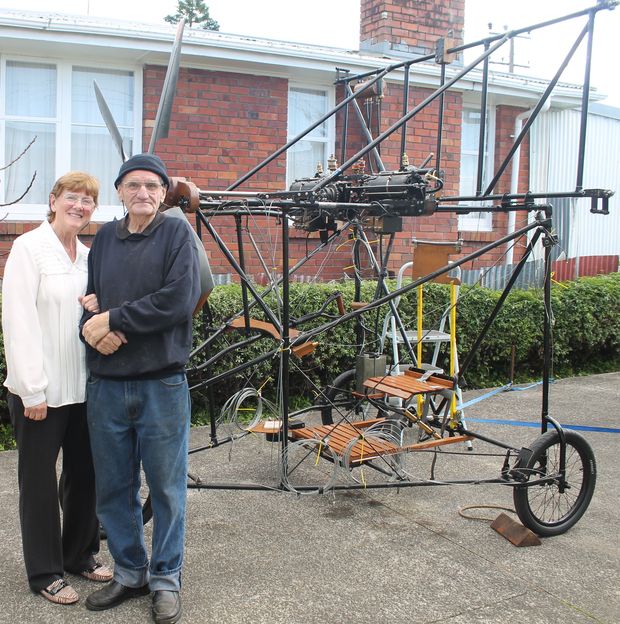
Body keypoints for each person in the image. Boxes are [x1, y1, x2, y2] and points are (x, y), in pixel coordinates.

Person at [80, 153, 200, 624]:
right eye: (134, 185)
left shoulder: (176, 233)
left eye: (152, 185)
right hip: (107, 385)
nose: (143, 193)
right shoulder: (106, 237)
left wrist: (114, 318)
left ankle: (166, 579)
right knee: (114, 488)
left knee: (167, 491)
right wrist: (93, 325)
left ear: (163, 192)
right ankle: (131, 573)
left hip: (161, 384)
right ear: (119, 192)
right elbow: (91, 300)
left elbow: (177, 300)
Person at [2, 172, 113, 605]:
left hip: (84, 389)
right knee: (40, 484)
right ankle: (45, 571)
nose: (80, 206)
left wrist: (99, 304)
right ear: (53, 201)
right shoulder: (29, 249)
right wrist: (31, 390)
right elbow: (18, 321)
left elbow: (97, 314)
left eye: (88, 200)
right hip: (40, 393)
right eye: (72, 197)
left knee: (84, 476)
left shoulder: (88, 255)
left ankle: (79, 554)